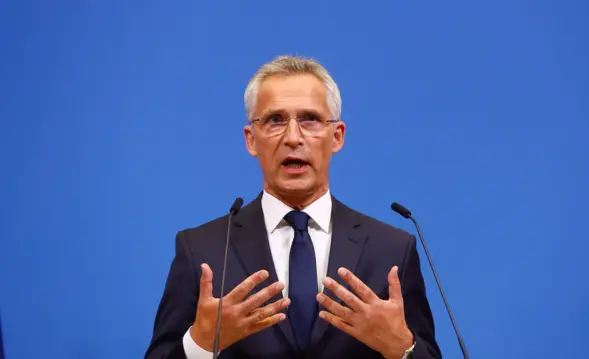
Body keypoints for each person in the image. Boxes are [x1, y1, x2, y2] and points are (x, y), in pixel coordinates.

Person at [144, 55, 442, 359]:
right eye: (275, 120)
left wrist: (403, 349)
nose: (293, 137)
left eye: (309, 119)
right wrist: (199, 345)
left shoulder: (391, 250)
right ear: (251, 140)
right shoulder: (202, 250)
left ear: (337, 136)